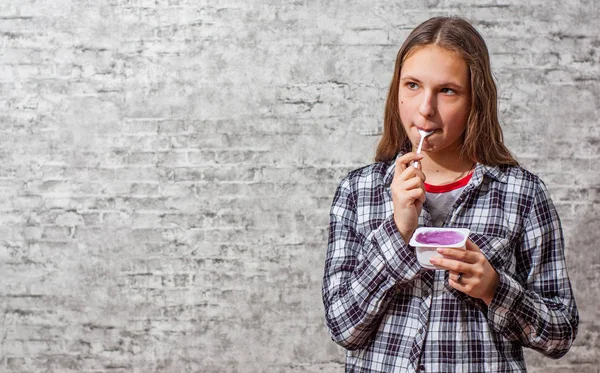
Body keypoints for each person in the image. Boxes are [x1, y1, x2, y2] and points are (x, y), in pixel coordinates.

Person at [321, 16, 578, 372]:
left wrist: (494, 289)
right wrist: (399, 232)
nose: (426, 108)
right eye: (412, 85)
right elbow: (342, 327)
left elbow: (560, 333)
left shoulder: (522, 194)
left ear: (476, 101)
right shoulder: (357, 191)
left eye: (447, 91)